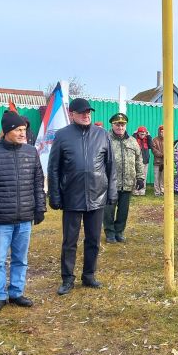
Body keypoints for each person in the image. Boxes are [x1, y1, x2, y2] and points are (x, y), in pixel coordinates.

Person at [0, 111, 46, 312]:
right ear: (7, 131)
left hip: (24, 218)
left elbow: (37, 182)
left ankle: (16, 292)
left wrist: (40, 208)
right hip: (0, 219)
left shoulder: (31, 152)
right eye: (19, 130)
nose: (23, 133)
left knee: (20, 259)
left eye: (24, 130)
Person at [47, 98, 118, 295]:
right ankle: (67, 278)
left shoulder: (102, 135)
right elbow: (53, 168)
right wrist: (55, 195)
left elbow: (111, 166)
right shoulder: (62, 136)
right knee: (70, 241)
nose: (86, 115)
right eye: (82, 112)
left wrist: (111, 192)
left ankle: (89, 275)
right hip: (72, 197)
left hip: (97, 196)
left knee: (94, 239)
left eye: (88, 112)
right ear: (72, 114)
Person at [103, 113, 144, 243]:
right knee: (108, 210)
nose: (120, 127)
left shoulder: (132, 141)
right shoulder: (105, 139)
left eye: (122, 124)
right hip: (110, 183)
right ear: (112, 125)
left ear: (125, 125)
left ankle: (119, 231)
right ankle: (109, 233)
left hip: (127, 182)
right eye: (117, 124)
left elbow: (139, 160)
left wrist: (140, 177)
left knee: (123, 210)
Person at [132, 126, 152, 196]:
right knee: (135, 176)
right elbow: (132, 143)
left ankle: (142, 190)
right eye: (141, 133)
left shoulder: (147, 140)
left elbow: (151, 145)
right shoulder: (135, 139)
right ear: (138, 133)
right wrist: (134, 134)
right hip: (136, 161)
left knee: (144, 176)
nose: (142, 134)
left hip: (145, 161)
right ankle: (135, 190)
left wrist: (149, 136)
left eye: (144, 133)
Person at [152, 126, 165, 196]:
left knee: (163, 177)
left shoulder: (168, 140)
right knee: (156, 177)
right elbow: (153, 150)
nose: (163, 133)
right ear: (159, 132)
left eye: (164, 131)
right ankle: (157, 192)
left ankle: (162, 190)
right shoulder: (154, 140)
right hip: (157, 162)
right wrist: (162, 155)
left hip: (165, 162)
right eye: (162, 131)